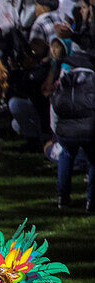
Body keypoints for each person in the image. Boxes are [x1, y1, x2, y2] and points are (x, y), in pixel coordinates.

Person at [51, 51, 95, 210]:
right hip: (90, 132)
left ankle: (63, 197)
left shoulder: (63, 83)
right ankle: (91, 200)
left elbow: (54, 108)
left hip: (66, 132)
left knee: (66, 155)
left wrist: (56, 131)